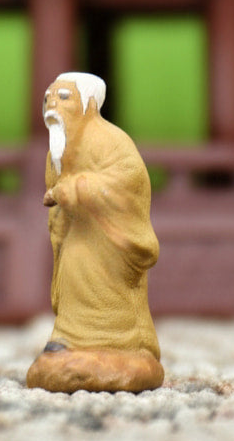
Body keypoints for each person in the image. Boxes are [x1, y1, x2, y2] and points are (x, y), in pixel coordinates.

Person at [26, 72, 164, 393]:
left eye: (63, 97)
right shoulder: (57, 150)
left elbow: (128, 182)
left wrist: (76, 188)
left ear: (88, 104)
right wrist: (60, 199)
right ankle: (69, 340)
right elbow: (54, 188)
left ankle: (121, 345)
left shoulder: (110, 139)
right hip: (77, 231)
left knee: (101, 282)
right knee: (73, 275)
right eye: (48, 97)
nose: (51, 104)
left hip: (109, 236)